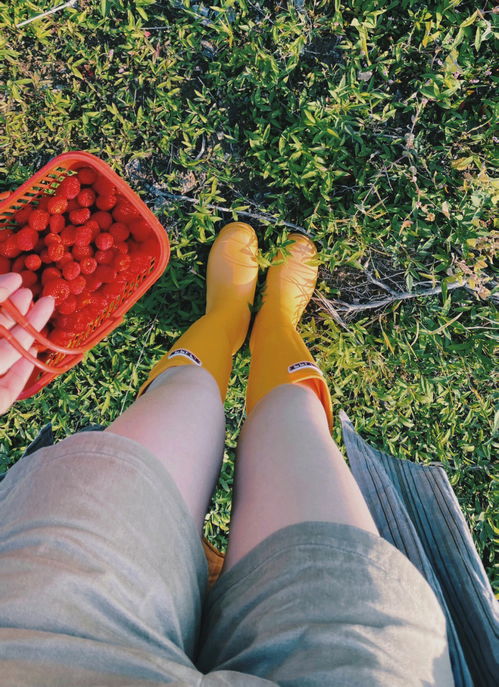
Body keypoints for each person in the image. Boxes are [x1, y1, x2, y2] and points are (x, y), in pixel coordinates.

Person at [0, 223, 454, 685]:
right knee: (294, 414)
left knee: (185, 394)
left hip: (39, 645)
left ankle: (230, 317)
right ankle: (272, 323)